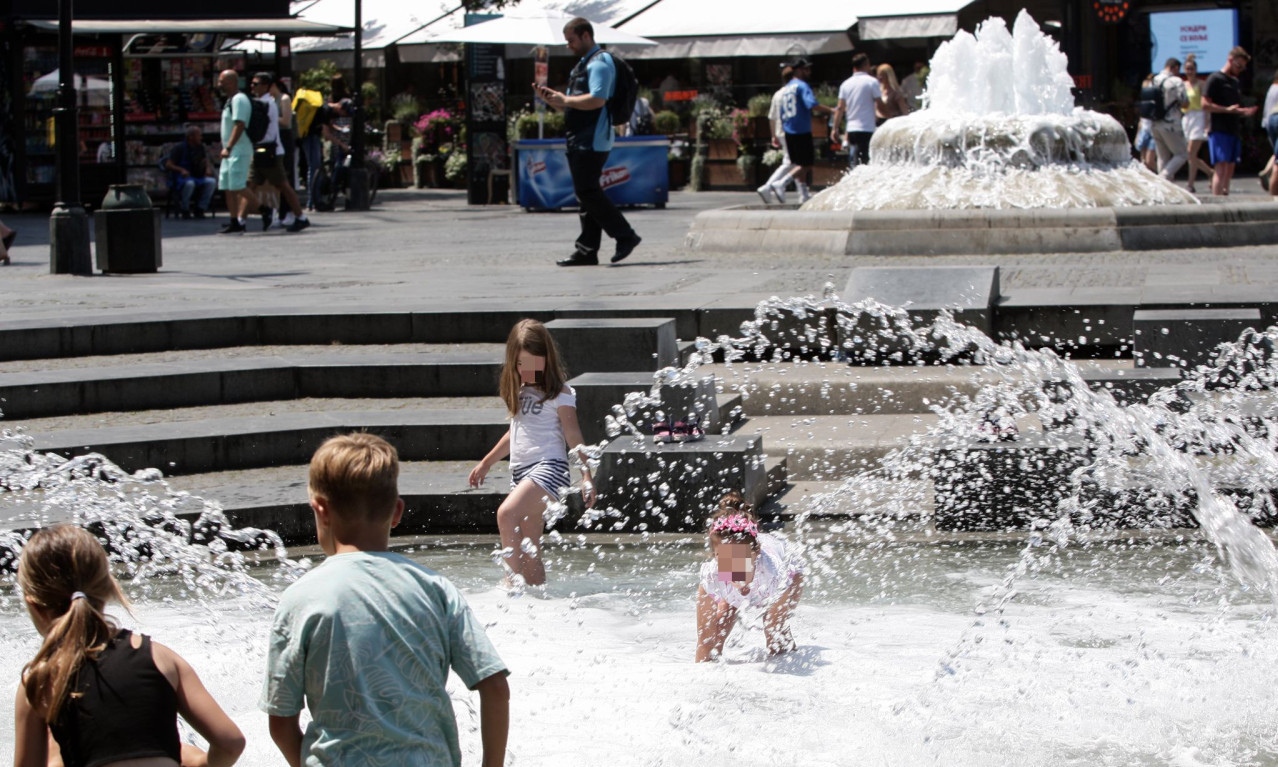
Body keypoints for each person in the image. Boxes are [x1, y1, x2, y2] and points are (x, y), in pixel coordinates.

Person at [262, 433, 510, 767]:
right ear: (396, 512)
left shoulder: (300, 598)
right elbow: (495, 687)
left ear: (321, 510)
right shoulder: (435, 589)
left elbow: (281, 721)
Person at [14, 524, 245, 767]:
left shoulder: (40, 680)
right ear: (109, 586)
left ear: (34, 605)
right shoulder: (160, 657)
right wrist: (198, 762)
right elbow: (231, 743)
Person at [469, 319, 595, 587]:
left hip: (550, 468)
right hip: (521, 472)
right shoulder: (521, 391)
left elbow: (573, 435)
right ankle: (539, 600)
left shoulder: (560, 393)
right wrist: (487, 462)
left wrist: (586, 474)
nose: (526, 370)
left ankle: (510, 586)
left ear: (546, 358)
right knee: (530, 551)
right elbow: (514, 433)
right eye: (520, 364)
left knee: (505, 514)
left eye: (532, 363)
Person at [537, 17, 642, 266]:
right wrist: (554, 101)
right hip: (581, 137)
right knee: (586, 193)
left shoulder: (599, 63)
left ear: (586, 35)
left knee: (587, 191)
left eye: (571, 40)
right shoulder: (582, 66)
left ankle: (625, 235)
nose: (568, 46)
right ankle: (587, 250)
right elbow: (573, 106)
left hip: (593, 138)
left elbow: (597, 100)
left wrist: (565, 100)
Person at [695, 492, 803, 662]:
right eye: (724, 558)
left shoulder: (773, 573)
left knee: (775, 630)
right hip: (746, 584)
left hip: (790, 575)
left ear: (756, 552)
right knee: (715, 635)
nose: (733, 568)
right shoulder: (711, 577)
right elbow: (703, 643)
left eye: (739, 558)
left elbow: (776, 623)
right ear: (715, 556)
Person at [247, 73, 309, 232]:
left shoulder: (274, 102)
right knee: (250, 185)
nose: (252, 86)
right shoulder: (263, 102)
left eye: (255, 84)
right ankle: (239, 220)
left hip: (272, 149)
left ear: (269, 85)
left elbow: (285, 122)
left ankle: (299, 216)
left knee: (283, 185)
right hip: (263, 148)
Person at [770, 56, 836, 204]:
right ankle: (782, 183)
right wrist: (831, 110)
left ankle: (803, 194)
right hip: (801, 129)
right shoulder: (802, 86)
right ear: (799, 70)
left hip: (788, 130)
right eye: (806, 69)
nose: (809, 72)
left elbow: (781, 112)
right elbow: (812, 104)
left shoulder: (786, 88)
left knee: (798, 164)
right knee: (806, 164)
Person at [1203, 46, 1258, 196]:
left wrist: (1243, 112)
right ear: (1230, 60)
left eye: (1243, 67)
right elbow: (1205, 105)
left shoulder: (1234, 81)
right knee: (1221, 167)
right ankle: (1216, 202)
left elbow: (1233, 108)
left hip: (1233, 129)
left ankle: (1225, 197)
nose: (1240, 69)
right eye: (1238, 65)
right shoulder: (1215, 78)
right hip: (1219, 129)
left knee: (1230, 168)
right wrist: (1226, 110)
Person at [217, 69, 253, 234]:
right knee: (227, 186)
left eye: (221, 82)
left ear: (231, 82)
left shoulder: (239, 99)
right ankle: (234, 221)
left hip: (238, 149)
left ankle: (264, 209)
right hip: (229, 151)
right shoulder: (229, 101)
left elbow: (240, 124)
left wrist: (229, 146)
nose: (219, 85)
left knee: (237, 185)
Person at [298, 98, 350, 211]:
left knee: (315, 168)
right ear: (340, 108)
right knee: (314, 168)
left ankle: (313, 201)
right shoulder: (326, 111)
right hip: (311, 137)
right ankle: (313, 201)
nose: (342, 116)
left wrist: (340, 129)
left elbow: (327, 125)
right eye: (344, 113)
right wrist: (341, 144)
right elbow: (326, 134)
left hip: (309, 136)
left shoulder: (327, 107)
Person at [833, 52, 881, 170]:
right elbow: (879, 103)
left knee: (855, 160)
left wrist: (835, 128)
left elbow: (840, 108)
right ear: (866, 65)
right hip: (867, 127)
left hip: (852, 129)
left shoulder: (845, 84)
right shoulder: (872, 82)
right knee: (866, 162)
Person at [757, 65, 797, 204]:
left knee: (792, 162)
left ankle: (799, 191)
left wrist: (773, 135)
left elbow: (772, 117)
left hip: (780, 131)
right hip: (791, 130)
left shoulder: (777, 94)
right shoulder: (792, 93)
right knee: (792, 162)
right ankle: (770, 186)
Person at [164, 125, 216, 219]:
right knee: (190, 184)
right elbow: (168, 164)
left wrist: (207, 169)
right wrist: (181, 170)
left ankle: (200, 208)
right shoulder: (179, 148)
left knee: (211, 182)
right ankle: (185, 208)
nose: (201, 138)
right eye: (198, 135)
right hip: (182, 177)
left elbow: (205, 160)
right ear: (191, 137)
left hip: (197, 175)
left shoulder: (200, 147)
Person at [1150, 58, 1189, 181]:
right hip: (1171, 123)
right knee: (1182, 154)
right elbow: (1185, 102)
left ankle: (1164, 188)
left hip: (1155, 123)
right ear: (1175, 68)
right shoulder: (1176, 81)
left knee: (1163, 157)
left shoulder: (1154, 80)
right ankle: (1162, 179)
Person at [1181, 55, 1215, 194]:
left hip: (1198, 117)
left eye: (1192, 69)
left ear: (1196, 70)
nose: (1190, 71)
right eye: (1187, 69)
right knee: (1189, 154)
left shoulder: (1201, 84)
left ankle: (1190, 184)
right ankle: (1210, 172)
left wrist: (1207, 123)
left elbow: (1206, 105)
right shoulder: (1182, 85)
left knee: (1191, 152)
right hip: (1186, 117)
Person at [273, 79, 298, 189]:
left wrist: (271, 116)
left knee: (286, 168)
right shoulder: (271, 100)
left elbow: (286, 121)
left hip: (284, 136)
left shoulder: (284, 98)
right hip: (275, 136)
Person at [1134, 75, 1158, 172]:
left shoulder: (1156, 104)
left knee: (1149, 161)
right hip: (1144, 131)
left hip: (1153, 131)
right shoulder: (1144, 105)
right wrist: (1137, 135)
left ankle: (1162, 176)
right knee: (1143, 162)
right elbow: (1141, 121)